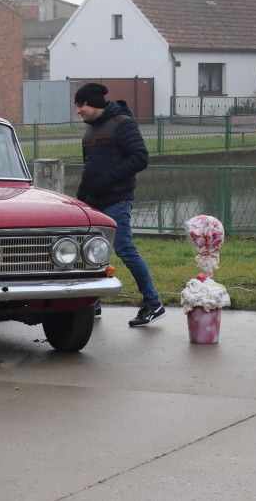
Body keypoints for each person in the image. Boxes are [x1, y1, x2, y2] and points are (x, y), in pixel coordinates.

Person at [74, 83, 165, 327]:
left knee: (124, 248)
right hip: (93, 202)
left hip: (117, 199)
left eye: (80, 105)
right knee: (90, 253)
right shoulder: (91, 131)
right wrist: (79, 201)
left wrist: (110, 180)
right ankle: (93, 303)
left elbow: (140, 157)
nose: (78, 111)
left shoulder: (121, 123)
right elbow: (89, 170)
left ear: (92, 103)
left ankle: (153, 303)